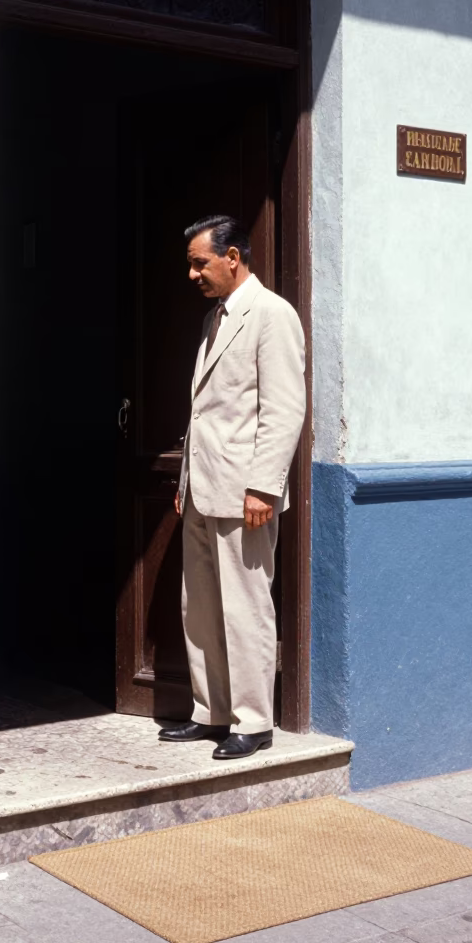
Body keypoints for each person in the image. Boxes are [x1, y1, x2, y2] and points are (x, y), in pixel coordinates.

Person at [158, 214, 306, 759]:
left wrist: (264, 486)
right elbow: (206, 411)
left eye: (200, 263)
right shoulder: (214, 318)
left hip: (245, 493)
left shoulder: (272, 314)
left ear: (233, 257)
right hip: (204, 487)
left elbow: (284, 409)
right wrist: (186, 478)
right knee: (199, 606)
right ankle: (211, 711)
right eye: (191, 264)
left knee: (245, 607)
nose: (192, 274)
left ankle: (254, 720)